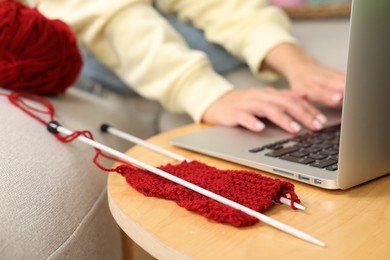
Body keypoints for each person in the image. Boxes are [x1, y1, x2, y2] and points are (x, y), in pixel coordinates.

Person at [26, 0, 345, 134]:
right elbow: (110, 17)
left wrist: (294, 60)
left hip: (183, 44)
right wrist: (204, 93)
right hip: (103, 66)